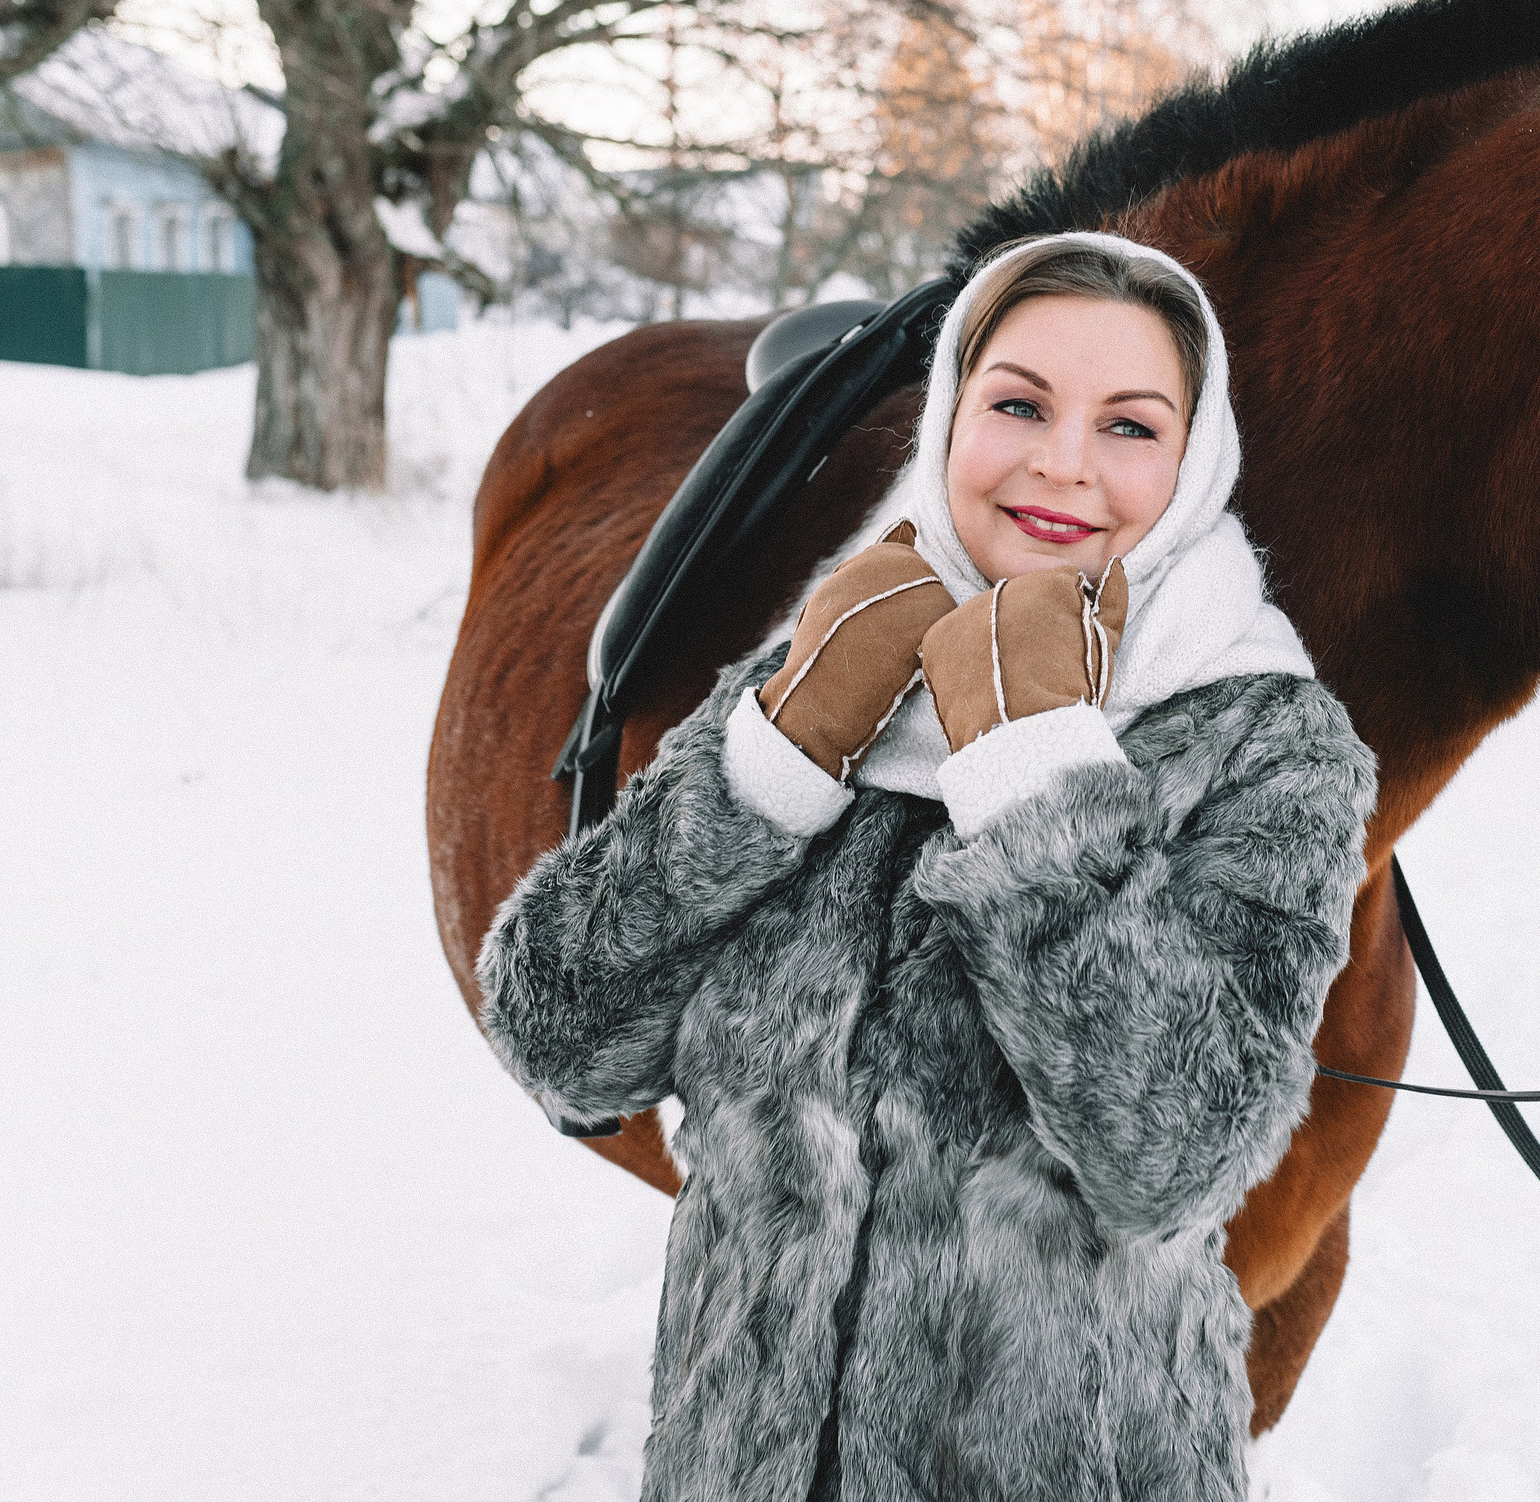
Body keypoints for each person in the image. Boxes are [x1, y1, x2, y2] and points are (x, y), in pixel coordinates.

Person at [476, 231, 1379, 1502]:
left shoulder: (1263, 739)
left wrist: (1037, 777)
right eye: (1017, 403)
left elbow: (1173, 1155)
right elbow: (559, 1038)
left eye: (1129, 424)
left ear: (1193, 459)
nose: (1063, 462)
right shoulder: (828, 657)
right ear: (951, 417)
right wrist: (768, 766)